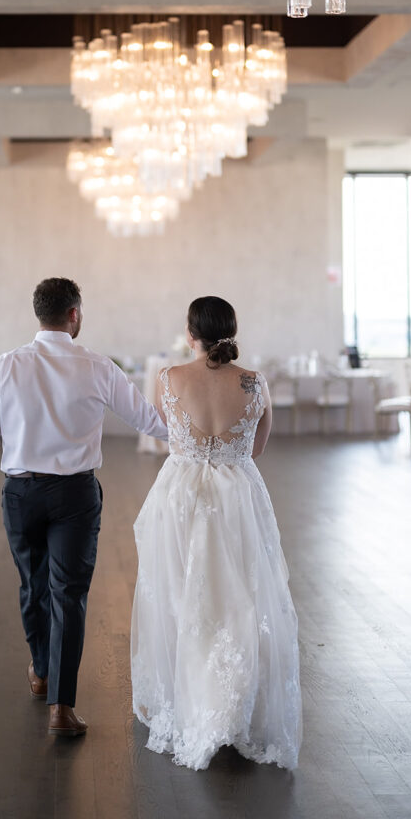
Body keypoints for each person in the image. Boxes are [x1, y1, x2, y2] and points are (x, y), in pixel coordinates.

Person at [0, 277, 167, 738]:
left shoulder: (6, 365)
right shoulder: (97, 366)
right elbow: (149, 421)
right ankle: (61, 708)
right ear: (75, 314)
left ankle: (41, 670)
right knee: (68, 595)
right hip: (75, 495)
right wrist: (204, 436)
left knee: (33, 588)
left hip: (20, 494)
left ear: (39, 315)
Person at [131, 296, 302, 770]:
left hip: (181, 494)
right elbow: (259, 447)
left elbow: (166, 435)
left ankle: (191, 701)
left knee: (182, 597)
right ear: (231, 330)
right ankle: (230, 705)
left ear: (191, 333)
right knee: (238, 599)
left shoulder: (168, 379)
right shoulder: (253, 382)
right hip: (236, 496)